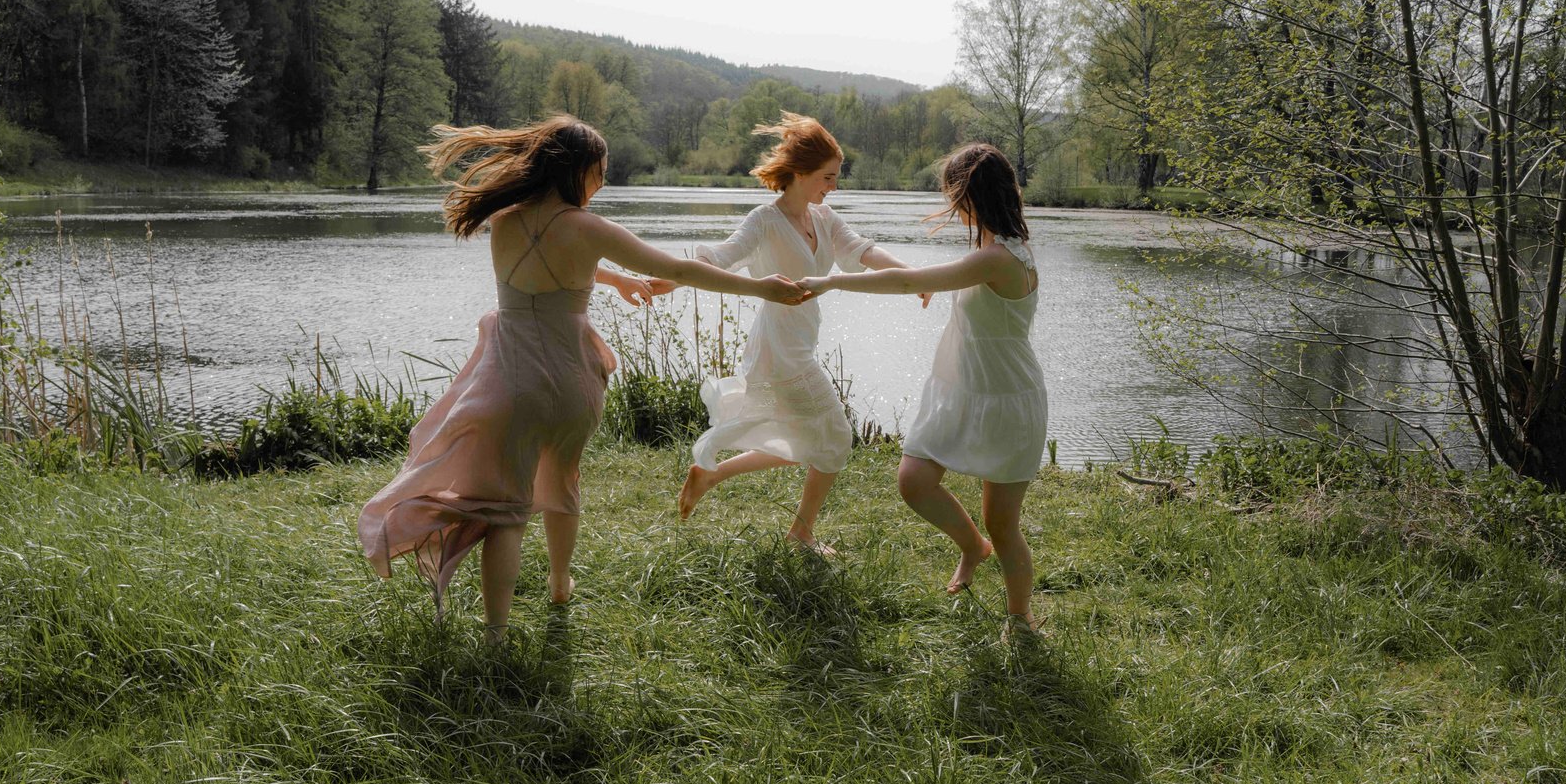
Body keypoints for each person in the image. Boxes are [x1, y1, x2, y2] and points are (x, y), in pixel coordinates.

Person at [358, 116, 806, 640]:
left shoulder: (503, 220)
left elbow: (544, 262)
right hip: (571, 381)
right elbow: (679, 271)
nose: (604, 181)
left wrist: (613, 278)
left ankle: (496, 632)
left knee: (507, 512)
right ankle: (559, 583)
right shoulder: (589, 229)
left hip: (509, 379)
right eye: (601, 170)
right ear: (579, 171)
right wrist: (762, 289)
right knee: (561, 478)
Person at [797, 143, 1048, 634]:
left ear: (969, 197)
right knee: (914, 480)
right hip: (962, 390)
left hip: (1007, 401)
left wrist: (830, 281)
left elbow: (906, 280)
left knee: (1004, 523)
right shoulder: (990, 249)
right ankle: (972, 547)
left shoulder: (1000, 257)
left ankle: (1021, 620)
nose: (954, 210)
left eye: (955, 198)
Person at [677, 112, 928, 553]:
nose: (832, 186)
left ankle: (716, 474)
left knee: (812, 438)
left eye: (835, 177)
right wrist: (667, 279)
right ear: (800, 173)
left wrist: (913, 275)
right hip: (778, 348)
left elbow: (863, 251)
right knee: (834, 438)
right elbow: (720, 258)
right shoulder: (764, 220)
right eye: (827, 177)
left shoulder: (824, 218)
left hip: (800, 342)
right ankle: (800, 532)